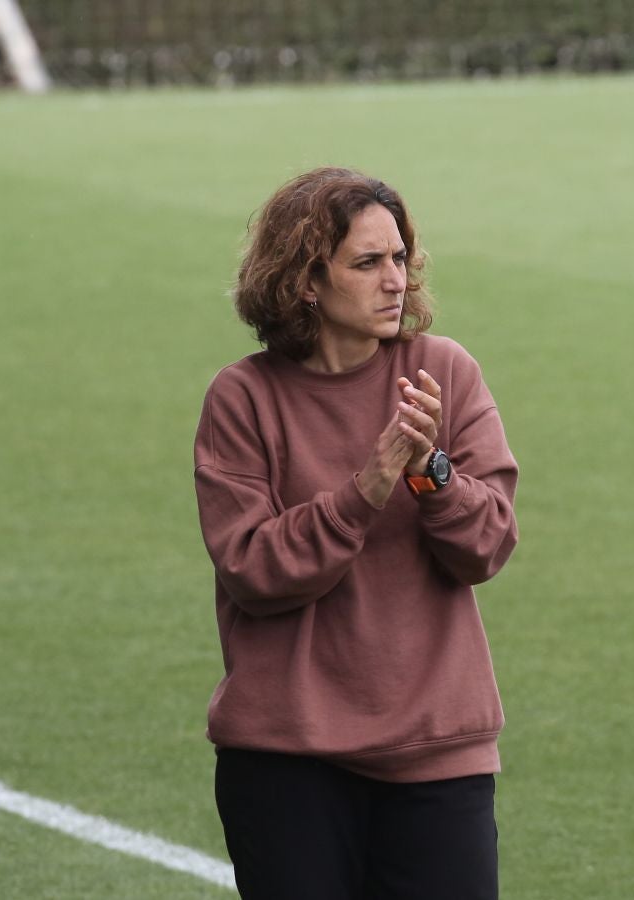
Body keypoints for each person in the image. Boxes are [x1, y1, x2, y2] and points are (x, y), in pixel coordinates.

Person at [193, 167, 519, 900]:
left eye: (400, 258)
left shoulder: (443, 373)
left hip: (439, 754)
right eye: (367, 263)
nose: (394, 281)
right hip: (288, 758)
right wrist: (366, 488)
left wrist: (430, 472)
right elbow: (252, 568)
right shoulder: (243, 399)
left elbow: (487, 545)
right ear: (306, 280)